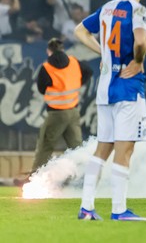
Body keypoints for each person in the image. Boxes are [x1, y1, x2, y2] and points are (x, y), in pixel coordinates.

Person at [74, 0, 146, 221]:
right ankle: (119, 209)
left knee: (103, 148)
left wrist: (103, 52)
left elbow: (80, 30)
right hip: (128, 88)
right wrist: (138, 61)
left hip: (105, 89)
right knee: (124, 149)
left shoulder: (107, 8)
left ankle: (86, 208)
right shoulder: (139, 10)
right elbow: (141, 41)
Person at [14, 38, 93, 186]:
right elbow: (89, 71)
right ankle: (84, 179)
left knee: (45, 146)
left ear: (48, 51)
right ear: (63, 49)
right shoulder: (74, 62)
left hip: (56, 113)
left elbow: (41, 88)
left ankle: (34, 179)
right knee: (77, 148)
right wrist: (78, 83)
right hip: (73, 111)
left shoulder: (47, 67)